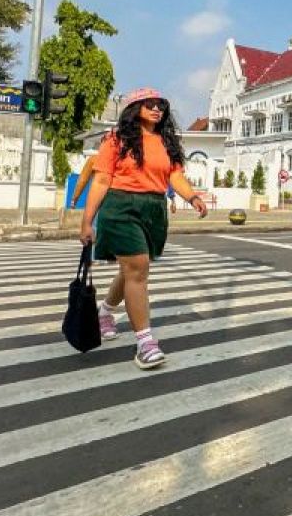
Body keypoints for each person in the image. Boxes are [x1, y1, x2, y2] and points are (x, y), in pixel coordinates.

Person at [80, 88, 208, 369]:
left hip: (153, 209)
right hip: (120, 206)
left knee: (131, 269)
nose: (156, 109)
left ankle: (105, 313)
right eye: (149, 104)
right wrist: (87, 221)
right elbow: (101, 180)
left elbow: (175, 176)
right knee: (138, 268)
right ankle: (145, 343)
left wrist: (193, 197)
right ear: (134, 107)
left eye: (161, 105)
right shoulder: (118, 138)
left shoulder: (165, 142)